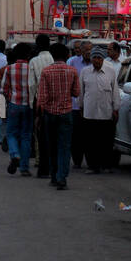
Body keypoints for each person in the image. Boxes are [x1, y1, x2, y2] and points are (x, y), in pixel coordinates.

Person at [37, 43, 81, 189]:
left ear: (52, 55)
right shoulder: (72, 71)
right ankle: (62, 177)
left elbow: (42, 97)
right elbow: (76, 93)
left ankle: (54, 176)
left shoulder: (46, 72)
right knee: (65, 146)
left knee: (52, 146)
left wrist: (39, 115)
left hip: (50, 113)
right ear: (67, 55)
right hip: (66, 113)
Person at [79, 46, 120, 174]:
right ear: (91, 59)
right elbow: (81, 91)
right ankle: (92, 166)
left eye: (99, 58)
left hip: (106, 112)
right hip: (89, 112)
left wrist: (115, 108)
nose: (97, 60)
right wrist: (81, 106)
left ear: (103, 59)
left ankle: (106, 165)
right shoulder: (85, 72)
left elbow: (115, 91)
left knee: (106, 141)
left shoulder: (110, 71)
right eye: (94, 58)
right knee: (90, 141)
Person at [1, 43, 34, 176]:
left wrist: (9, 100)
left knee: (11, 133)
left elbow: (4, 89)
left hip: (14, 104)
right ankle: (24, 168)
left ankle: (15, 154)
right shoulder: (31, 69)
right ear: (28, 55)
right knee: (26, 136)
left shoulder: (9, 69)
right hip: (28, 105)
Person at [28, 33, 54, 178]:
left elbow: (32, 85)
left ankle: (40, 161)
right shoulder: (54, 59)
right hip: (56, 103)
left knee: (40, 134)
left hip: (40, 102)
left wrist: (33, 103)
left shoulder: (34, 61)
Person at [67, 41, 92, 167]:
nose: (88, 52)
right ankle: (77, 160)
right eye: (86, 49)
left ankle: (90, 161)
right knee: (76, 135)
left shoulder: (96, 63)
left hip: (91, 106)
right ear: (80, 51)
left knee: (89, 135)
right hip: (76, 106)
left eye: (90, 49)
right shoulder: (72, 62)